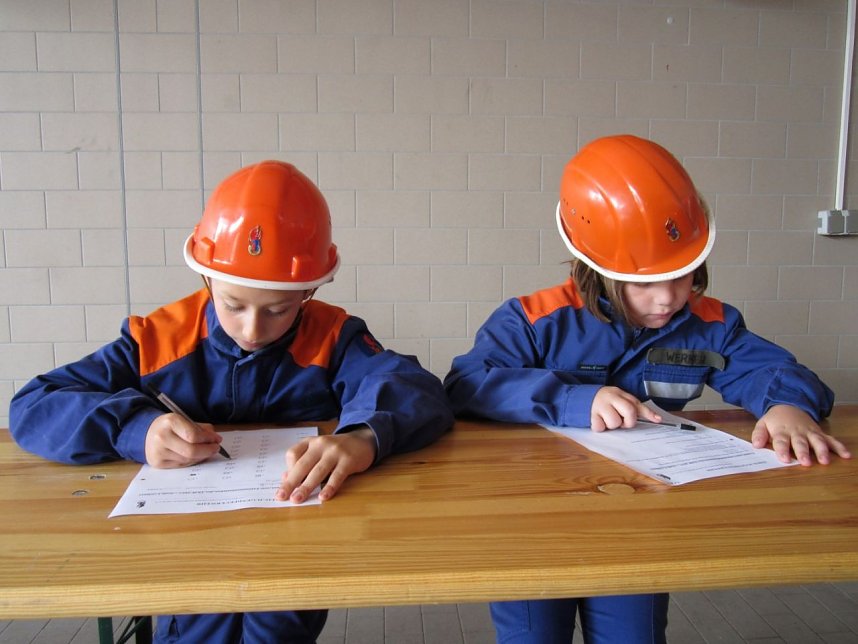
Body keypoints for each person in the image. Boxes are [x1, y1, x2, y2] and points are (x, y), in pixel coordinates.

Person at [10, 160, 454, 643]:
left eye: (278, 309)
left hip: (294, 553)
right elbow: (35, 405)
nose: (252, 329)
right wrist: (136, 429)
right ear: (207, 281)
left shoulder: (334, 337)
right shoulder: (157, 340)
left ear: (308, 290)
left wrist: (362, 437)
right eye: (233, 305)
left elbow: (416, 388)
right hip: (185, 554)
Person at [444, 134, 851, 644]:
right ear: (595, 269)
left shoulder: (708, 324)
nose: (667, 299)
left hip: (637, 524)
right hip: (531, 524)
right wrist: (575, 399)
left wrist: (788, 404)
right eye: (644, 283)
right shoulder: (532, 319)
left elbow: (769, 369)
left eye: (683, 276)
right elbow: (467, 385)